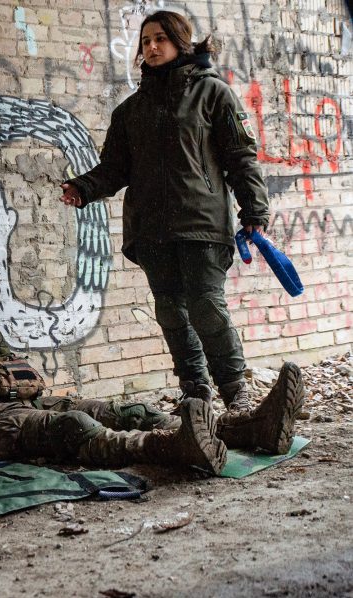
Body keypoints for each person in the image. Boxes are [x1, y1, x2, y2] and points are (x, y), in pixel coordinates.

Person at [0, 259, 304, 475]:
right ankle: (170, 449)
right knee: (76, 428)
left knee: (131, 412)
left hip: (27, 401)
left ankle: (249, 431)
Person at [60, 11, 280, 419]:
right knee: (170, 311)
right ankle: (195, 395)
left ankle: (237, 396)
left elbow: (241, 157)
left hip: (201, 223)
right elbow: (114, 169)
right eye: (145, 41)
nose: (152, 47)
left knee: (206, 307)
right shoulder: (129, 111)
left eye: (160, 38)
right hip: (150, 229)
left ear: (182, 42)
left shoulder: (214, 93)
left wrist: (254, 210)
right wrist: (83, 187)